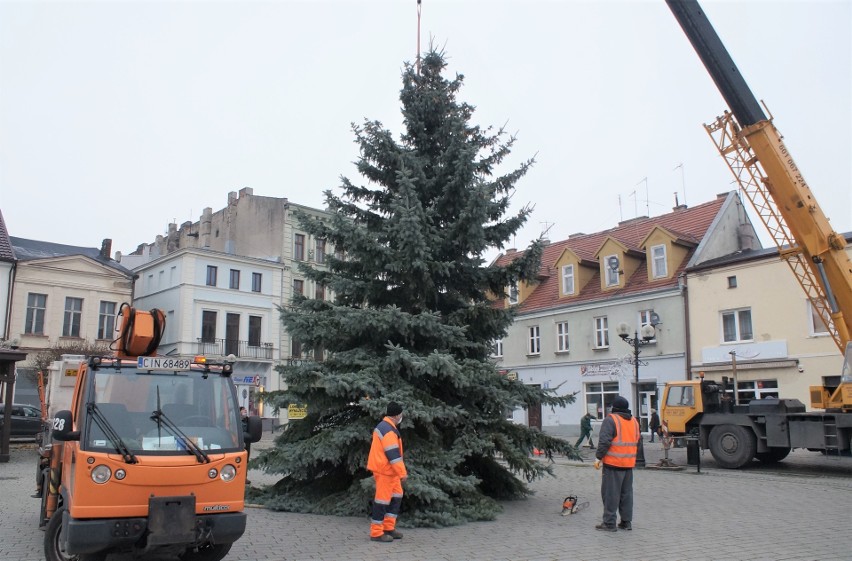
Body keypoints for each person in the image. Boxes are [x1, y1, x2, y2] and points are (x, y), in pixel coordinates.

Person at [594, 396, 643, 532]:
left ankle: (609, 523)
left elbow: (605, 441)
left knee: (611, 494)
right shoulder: (634, 421)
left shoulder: (611, 420)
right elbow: (638, 442)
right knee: (626, 495)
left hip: (613, 464)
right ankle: (626, 522)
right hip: (628, 464)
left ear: (613, 407)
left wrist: (598, 457)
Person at [367, 402, 407, 543]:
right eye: (401, 414)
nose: (402, 416)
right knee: (382, 501)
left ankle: (388, 527)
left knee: (397, 495)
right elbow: (393, 454)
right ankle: (377, 533)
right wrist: (402, 473)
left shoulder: (386, 427)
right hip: (385, 471)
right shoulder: (388, 430)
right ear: (396, 415)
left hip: (389, 471)